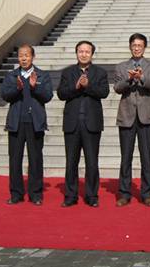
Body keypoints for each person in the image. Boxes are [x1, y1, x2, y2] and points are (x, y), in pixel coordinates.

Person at [57, 40, 109, 207]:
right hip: (72, 123)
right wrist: (76, 86)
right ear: (76, 53)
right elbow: (61, 94)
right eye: (81, 51)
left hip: (92, 123)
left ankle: (92, 196)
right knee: (71, 162)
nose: (84, 54)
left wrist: (87, 86)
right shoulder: (68, 72)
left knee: (92, 162)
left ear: (92, 54)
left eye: (87, 51)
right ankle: (70, 196)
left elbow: (104, 92)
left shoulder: (100, 72)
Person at [114, 33, 150, 207]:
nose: (136, 48)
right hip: (126, 116)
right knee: (125, 157)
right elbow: (117, 88)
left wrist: (141, 78)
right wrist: (129, 79)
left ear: (144, 47)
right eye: (134, 45)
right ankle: (124, 193)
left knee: (146, 157)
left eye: (140, 45)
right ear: (130, 46)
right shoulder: (121, 67)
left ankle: (147, 193)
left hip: (146, 116)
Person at [1, 44, 53, 206]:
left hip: (35, 123)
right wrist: (17, 89)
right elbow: (5, 95)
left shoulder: (42, 75)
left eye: (27, 55)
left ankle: (35, 194)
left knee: (35, 159)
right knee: (15, 160)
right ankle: (16, 193)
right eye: (21, 55)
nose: (24, 58)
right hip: (16, 123)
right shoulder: (11, 76)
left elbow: (48, 96)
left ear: (33, 57)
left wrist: (34, 87)